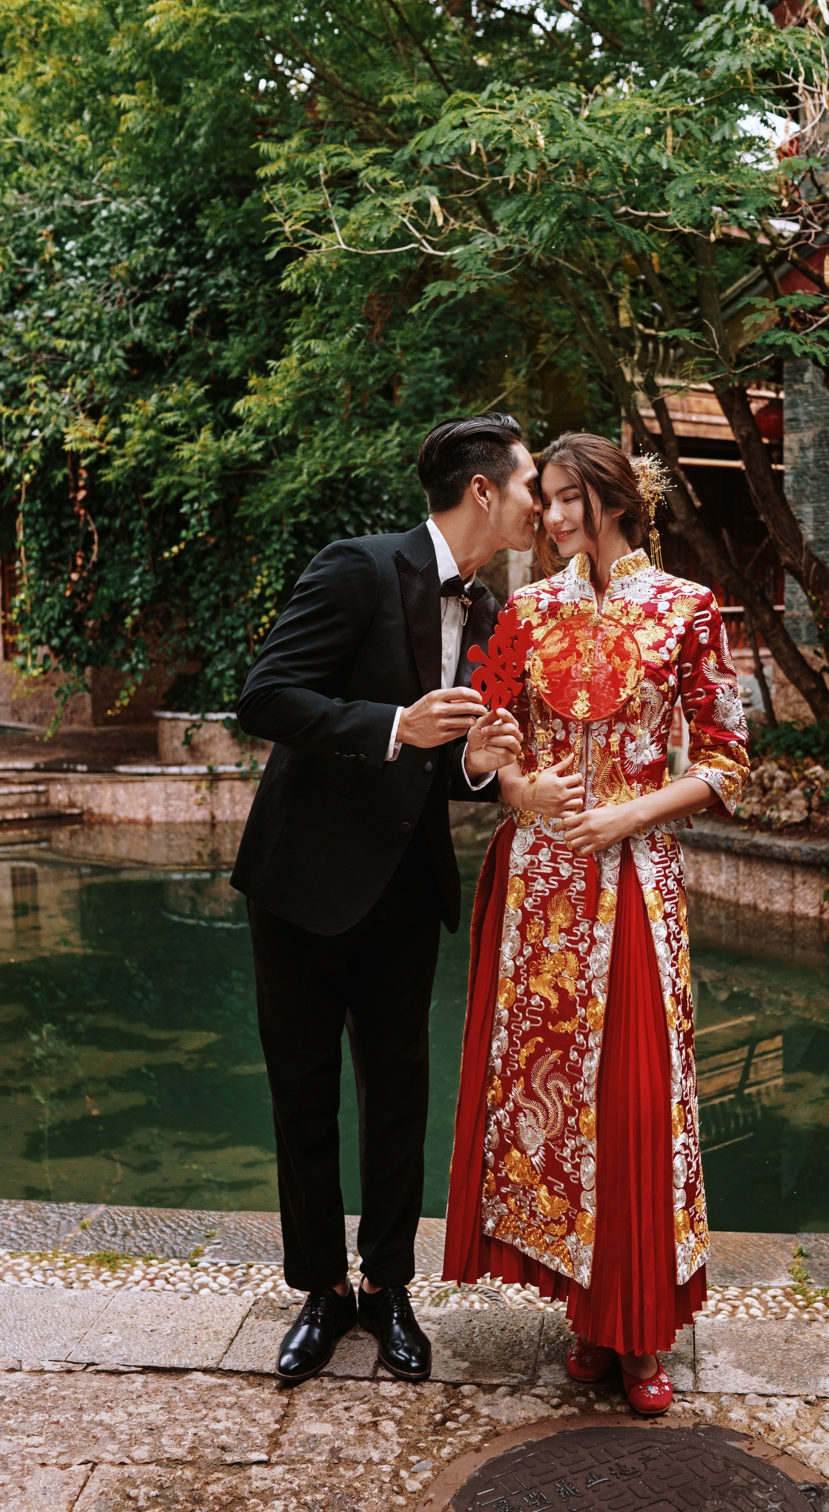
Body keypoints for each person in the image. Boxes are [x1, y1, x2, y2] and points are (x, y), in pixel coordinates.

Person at [443, 432, 749, 1415]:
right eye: (549, 497)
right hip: (540, 894)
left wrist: (626, 815)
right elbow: (496, 755)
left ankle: (642, 1325)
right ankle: (587, 1312)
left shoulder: (688, 610)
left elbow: (727, 762)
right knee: (554, 1107)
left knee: (631, 1102)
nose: (553, 514)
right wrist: (519, 786)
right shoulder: (526, 613)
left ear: (615, 500)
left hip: (635, 885)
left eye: (571, 496)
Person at [232, 412, 539, 1383]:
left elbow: (449, 769)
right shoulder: (357, 567)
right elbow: (265, 696)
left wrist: (478, 764)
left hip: (408, 890)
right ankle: (321, 1290)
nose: (542, 503)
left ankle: (389, 1287)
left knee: (400, 1094)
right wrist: (394, 723)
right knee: (304, 1093)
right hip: (303, 881)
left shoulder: (491, 615)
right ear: (484, 489)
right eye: (531, 483)